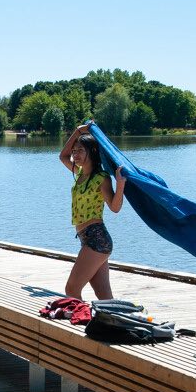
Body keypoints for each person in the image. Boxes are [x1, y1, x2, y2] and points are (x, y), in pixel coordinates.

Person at [59, 121, 126, 299]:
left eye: (81, 150)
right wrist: (78, 131)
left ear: (93, 152)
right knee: (104, 296)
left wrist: (120, 185)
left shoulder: (101, 178)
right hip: (87, 239)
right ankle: (115, 325)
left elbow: (115, 207)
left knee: (72, 289)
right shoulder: (79, 173)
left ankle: (80, 324)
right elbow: (62, 156)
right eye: (75, 151)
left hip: (97, 238)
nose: (75, 154)